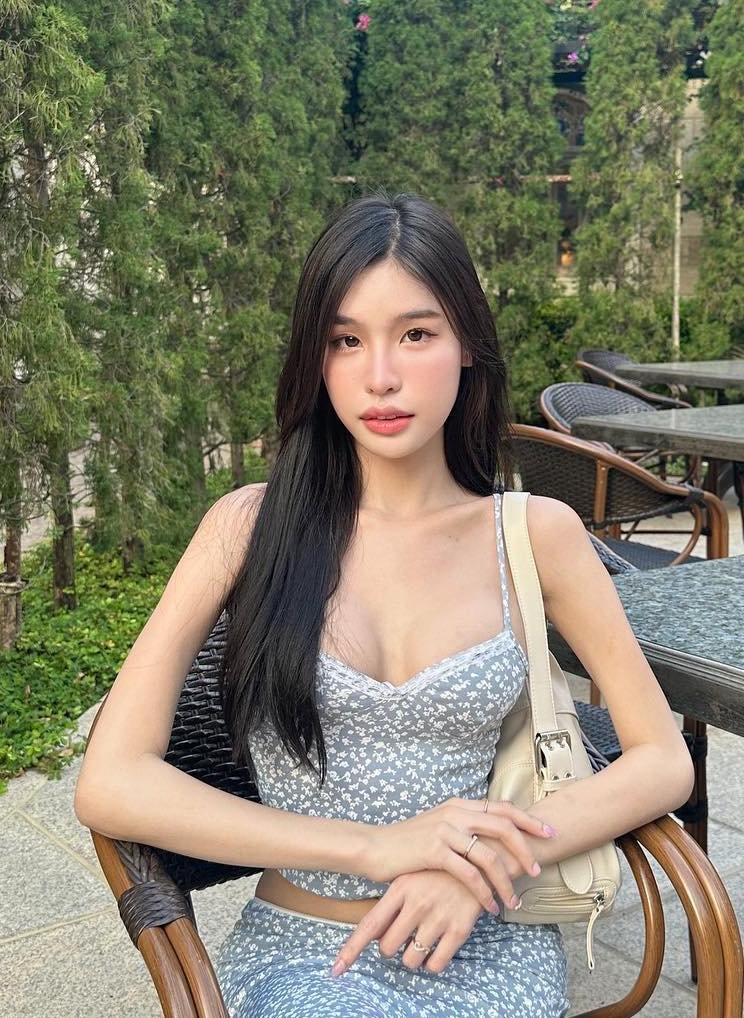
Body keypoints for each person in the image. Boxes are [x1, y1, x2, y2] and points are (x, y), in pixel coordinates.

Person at [74, 189, 695, 1017]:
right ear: (316, 358)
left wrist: (477, 867)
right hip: (307, 956)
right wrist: (372, 848)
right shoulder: (249, 529)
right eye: (346, 340)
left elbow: (662, 759)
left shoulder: (532, 534)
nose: (380, 377)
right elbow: (112, 781)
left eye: (416, 334)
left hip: (489, 944)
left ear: (466, 343)